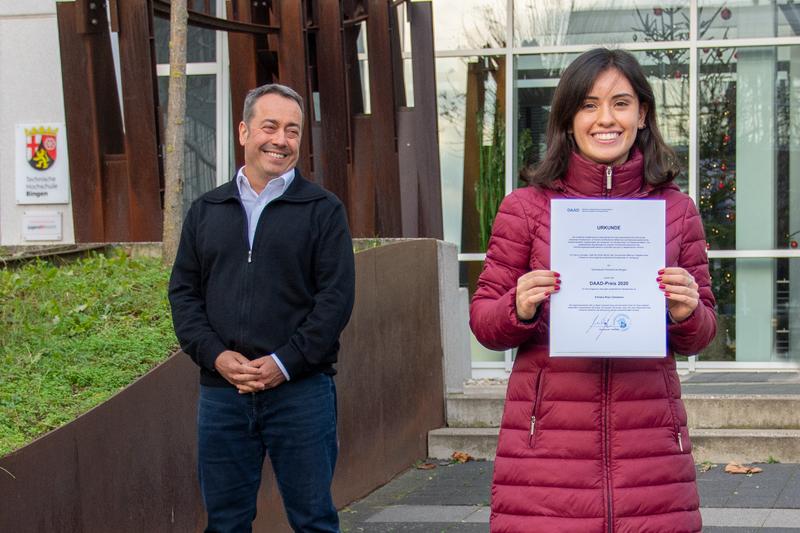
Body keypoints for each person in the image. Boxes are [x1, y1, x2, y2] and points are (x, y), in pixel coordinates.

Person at [470, 48, 717, 533]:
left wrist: (688, 312)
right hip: (547, 452)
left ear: (642, 113)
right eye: (588, 104)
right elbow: (484, 323)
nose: (606, 118)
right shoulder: (526, 208)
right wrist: (516, 307)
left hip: (651, 451)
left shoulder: (676, 209)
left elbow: (701, 332)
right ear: (568, 118)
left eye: (621, 103)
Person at [168, 83, 355, 533]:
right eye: (269, 126)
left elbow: (335, 300)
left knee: (314, 520)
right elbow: (184, 294)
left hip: (301, 392)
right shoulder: (206, 210)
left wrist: (283, 362)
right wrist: (215, 355)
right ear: (243, 131)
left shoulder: (323, 210)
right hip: (223, 394)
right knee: (226, 523)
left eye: (292, 131)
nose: (281, 140)